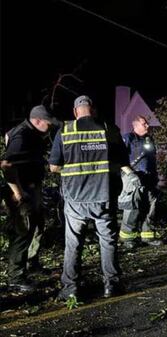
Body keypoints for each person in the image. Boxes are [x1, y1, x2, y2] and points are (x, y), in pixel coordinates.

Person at [49, 95, 138, 299]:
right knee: (107, 241)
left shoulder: (65, 130)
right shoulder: (109, 129)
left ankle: (70, 290)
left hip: (75, 199)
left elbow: (54, 166)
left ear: (75, 112)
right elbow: (122, 162)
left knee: (73, 243)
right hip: (103, 195)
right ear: (94, 110)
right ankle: (111, 286)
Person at [1, 105, 59, 292]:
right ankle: (16, 277)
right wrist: (18, 193)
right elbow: (7, 165)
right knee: (23, 231)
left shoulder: (30, 133)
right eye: (48, 125)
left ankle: (32, 263)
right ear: (37, 121)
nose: (50, 128)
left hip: (32, 188)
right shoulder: (22, 135)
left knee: (37, 225)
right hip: (21, 192)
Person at [118, 116, 162, 248]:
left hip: (149, 178)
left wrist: (155, 176)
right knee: (132, 207)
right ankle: (127, 238)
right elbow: (119, 158)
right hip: (133, 178)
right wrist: (131, 175)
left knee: (151, 205)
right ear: (136, 126)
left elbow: (151, 159)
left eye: (147, 123)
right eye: (144, 124)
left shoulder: (149, 139)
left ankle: (147, 236)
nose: (147, 126)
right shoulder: (128, 138)